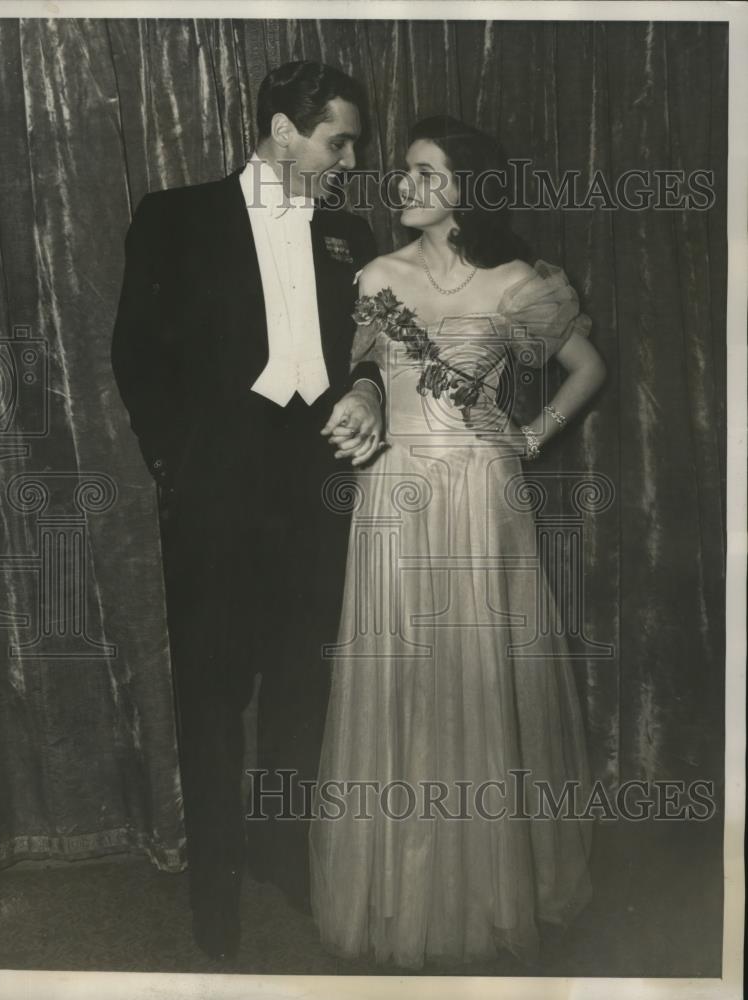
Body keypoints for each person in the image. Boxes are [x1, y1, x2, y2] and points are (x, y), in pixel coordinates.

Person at [310, 115, 607, 969]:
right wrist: (364, 404)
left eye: (425, 173)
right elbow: (365, 373)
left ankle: (485, 889)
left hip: (482, 495)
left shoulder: (518, 282)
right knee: (400, 676)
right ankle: (397, 893)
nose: (404, 184)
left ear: (466, 189)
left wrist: (533, 435)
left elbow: (588, 369)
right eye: (404, 170)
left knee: (478, 679)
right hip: (396, 493)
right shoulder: (376, 275)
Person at [111, 61, 385, 960]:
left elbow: (372, 345)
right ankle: (216, 891)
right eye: (336, 140)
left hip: (314, 493)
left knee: (304, 685)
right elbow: (135, 352)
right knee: (213, 693)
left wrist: (371, 387)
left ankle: (284, 855)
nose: (349, 157)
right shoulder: (175, 215)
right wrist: (175, 466)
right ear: (281, 130)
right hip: (215, 494)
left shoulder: (349, 230)